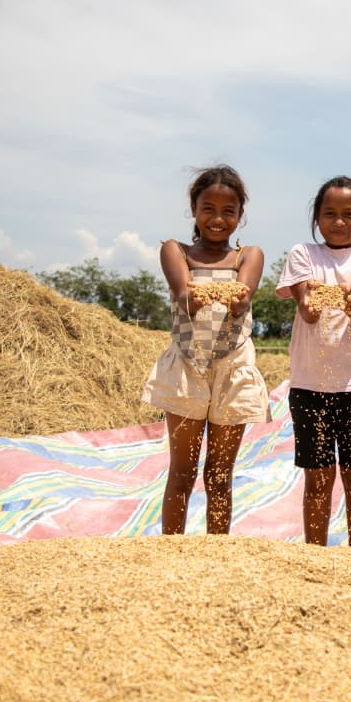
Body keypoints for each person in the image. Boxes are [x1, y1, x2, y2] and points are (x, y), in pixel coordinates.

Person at [142, 165, 271, 535]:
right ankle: (172, 549)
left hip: (232, 367)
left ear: (240, 215)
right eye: (208, 209)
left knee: (219, 473)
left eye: (228, 211)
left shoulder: (248, 255)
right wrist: (200, 296)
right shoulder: (176, 250)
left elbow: (243, 299)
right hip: (188, 365)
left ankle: (217, 552)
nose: (217, 219)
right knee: (182, 471)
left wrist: (236, 299)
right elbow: (183, 295)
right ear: (194, 210)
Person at [276, 176, 351, 548]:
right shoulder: (303, 254)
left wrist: (343, 297)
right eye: (329, 214)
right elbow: (307, 312)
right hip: (310, 385)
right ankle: (317, 555)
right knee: (318, 479)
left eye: (349, 214)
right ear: (316, 217)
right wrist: (309, 300)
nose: (339, 222)